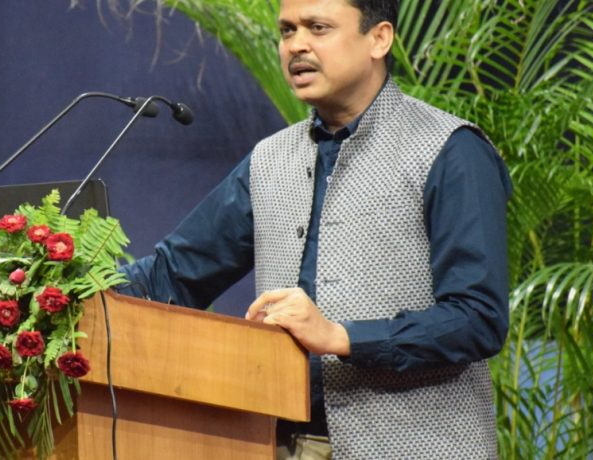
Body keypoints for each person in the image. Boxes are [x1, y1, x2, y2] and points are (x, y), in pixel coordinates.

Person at [116, 0, 512, 458]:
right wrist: (65, 284)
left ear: (379, 38)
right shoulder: (269, 160)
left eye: (318, 28)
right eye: (287, 31)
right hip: (284, 443)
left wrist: (341, 337)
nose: (296, 45)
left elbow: (477, 318)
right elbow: (172, 275)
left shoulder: (449, 149)